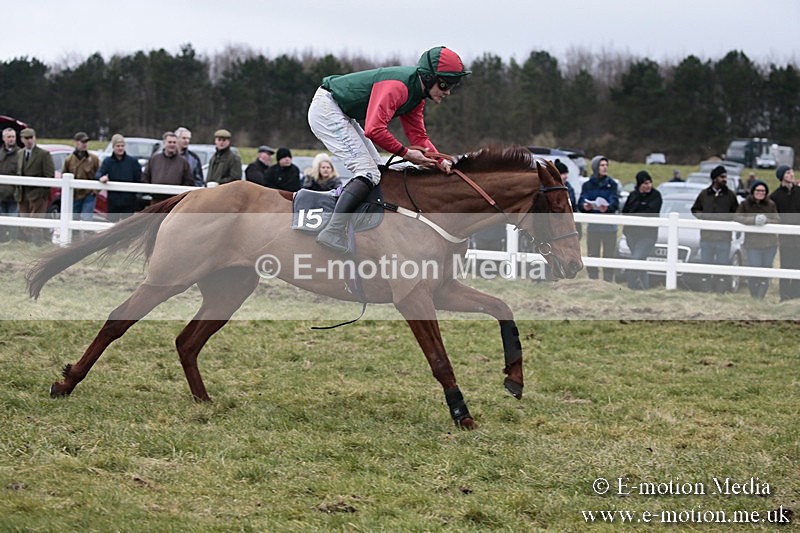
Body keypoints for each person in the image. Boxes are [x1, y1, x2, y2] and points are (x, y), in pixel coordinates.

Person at [307, 45, 471, 253]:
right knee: (368, 172)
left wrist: (440, 161)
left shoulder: (416, 95)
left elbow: (419, 137)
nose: (447, 92)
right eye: (445, 84)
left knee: (379, 171)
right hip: (327, 109)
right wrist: (406, 153)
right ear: (429, 77)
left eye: (452, 86)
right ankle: (333, 230)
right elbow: (374, 129)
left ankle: (361, 230)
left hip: (342, 112)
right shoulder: (399, 87)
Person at [690, 165, 739, 293]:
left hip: (724, 238)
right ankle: (705, 290)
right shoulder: (704, 194)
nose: (724, 179)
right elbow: (695, 209)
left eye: (725, 177)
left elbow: (737, 213)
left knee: (722, 266)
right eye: (722, 177)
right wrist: (704, 216)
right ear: (714, 178)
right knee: (706, 265)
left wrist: (725, 218)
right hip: (707, 237)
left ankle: (720, 292)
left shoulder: (730, 195)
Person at [735, 180, 780, 299]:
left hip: (770, 244)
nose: (761, 193)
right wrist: (753, 220)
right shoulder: (745, 204)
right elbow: (737, 217)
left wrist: (766, 221)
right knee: (755, 268)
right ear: (753, 191)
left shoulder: (771, 204)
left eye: (763, 191)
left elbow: (777, 220)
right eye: (758, 190)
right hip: (752, 243)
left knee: (766, 269)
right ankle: (754, 295)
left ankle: (761, 297)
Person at [578, 155, 619, 281]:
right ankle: (593, 279)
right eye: (602, 165)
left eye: (606, 165)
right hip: (594, 227)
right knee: (593, 253)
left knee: (609, 255)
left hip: (609, 228)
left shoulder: (612, 184)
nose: (605, 167)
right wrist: (585, 206)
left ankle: (608, 280)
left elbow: (615, 201)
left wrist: (608, 207)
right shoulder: (587, 185)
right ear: (596, 167)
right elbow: (581, 201)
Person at [621, 170, 662, 290]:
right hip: (632, 234)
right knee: (641, 262)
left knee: (637, 259)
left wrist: (637, 209)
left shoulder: (656, 195)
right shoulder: (633, 195)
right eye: (645, 183)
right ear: (639, 184)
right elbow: (625, 211)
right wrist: (640, 205)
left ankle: (631, 285)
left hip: (647, 235)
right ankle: (644, 289)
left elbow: (651, 212)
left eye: (650, 183)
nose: (648, 186)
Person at [16, 128, 54, 244]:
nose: (29, 141)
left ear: (35, 138)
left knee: (36, 223)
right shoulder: (20, 153)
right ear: (22, 139)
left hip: (38, 194)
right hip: (22, 194)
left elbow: (49, 175)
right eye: (26, 138)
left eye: (31, 138)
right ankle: (28, 244)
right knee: (24, 222)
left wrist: (42, 194)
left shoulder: (44, 154)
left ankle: (38, 245)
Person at [769, 165, 800, 301]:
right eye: (788, 173)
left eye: (792, 172)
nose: (791, 174)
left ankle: (797, 294)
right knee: (786, 264)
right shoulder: (775, 196)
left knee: (798, 265)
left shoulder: (799, 192)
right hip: (785, 237)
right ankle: (785, 294)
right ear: (781, 176)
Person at [96, 134, 142, 222]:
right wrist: (101, 177)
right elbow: (99, 173)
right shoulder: (108, 161)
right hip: (113, 200)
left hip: (129, 200)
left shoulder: (132, 162)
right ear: (113, 147)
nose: (120, 148)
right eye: (118, 146)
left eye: (122, 146)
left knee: (127, 225)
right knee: (111, 224)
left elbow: (139, 178)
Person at [141, 131, 193, 203]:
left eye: (174, 142)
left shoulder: (183, 162)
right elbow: (145, 176)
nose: (172, 145)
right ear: (164, 143)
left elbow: (189, 181)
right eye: (169, 142)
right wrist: (150, 191)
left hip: (174, 201)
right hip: (156, 200)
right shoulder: (154, 159)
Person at [62, 131, 100, 223]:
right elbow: (63, 176)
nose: (85, 144)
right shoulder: (69, 160)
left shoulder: (94, 159)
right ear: (76, 142)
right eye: (82, 142)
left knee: (87, 219)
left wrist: (95, 191)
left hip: (89, 194)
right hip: (75, 195)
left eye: (86, 142)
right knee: (73, 220)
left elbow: (99, 174)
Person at [0, 128, 20, 242]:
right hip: (1, 194)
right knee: (1, 219)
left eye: (13, 136)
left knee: (13, 219)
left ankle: (14, 241)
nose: (11, 139)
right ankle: (2, 241)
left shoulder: (20, 154)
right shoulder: (0, 153)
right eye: (9, 137)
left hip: (14, 194)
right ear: (3, 138)